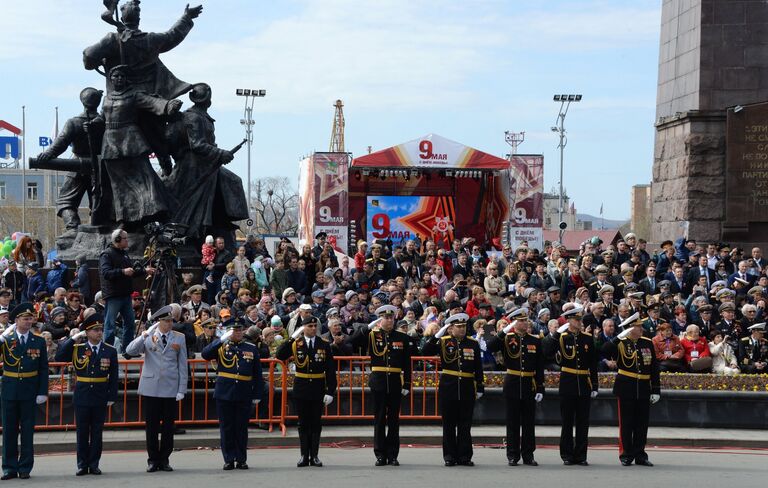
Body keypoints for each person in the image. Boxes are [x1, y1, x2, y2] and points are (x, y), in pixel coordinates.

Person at [346, 305, 412, 466]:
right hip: (379, 381)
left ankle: (393, 454)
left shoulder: (402, 337)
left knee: (394, 420)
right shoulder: (372, 335)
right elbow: (351, 341)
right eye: (385, 317)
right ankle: (380, 454)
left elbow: (407, 363)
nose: (389, 320)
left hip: (395, 381)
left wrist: (408, 383)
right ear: (380, 319)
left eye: (391, 317)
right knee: (380, 419)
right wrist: (367, 327)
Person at [125, 305, 188, 473]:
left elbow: (182, 365)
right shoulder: (148, 336)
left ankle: (165, 459)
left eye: (170, 321)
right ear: (158, 322)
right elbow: (129, 350)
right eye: (165, 321)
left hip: (170, 387)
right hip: (151, 387)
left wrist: (182, 389)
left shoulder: (179, 338)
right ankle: (152, 459)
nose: (169, 324)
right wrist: (144, 334)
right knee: (151, 427)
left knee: (168, 427)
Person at [55, 313, 118, 475]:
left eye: (100, 329)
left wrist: (112, 396)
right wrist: (73, 339)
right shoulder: (78, 349)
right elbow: (59, 356)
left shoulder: (109, 350)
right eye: (95, 330)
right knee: (82, 431)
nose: (99, 332)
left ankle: (94, 463)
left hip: (100, 393)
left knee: (97, 432)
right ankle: (82, 464)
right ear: (87, 332)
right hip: (82, 394)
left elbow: (114, 376)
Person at [35, 87, 104, 231]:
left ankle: (73, 228)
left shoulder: (74, 122)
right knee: (98, 203)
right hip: (98, 167)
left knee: (65, 202)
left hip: (79, 166)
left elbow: (61, 143)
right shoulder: (105, 122)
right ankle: (76, 229)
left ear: (82, 102)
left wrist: (48, 154)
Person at [421, 313, 484, 467]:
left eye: (463, 326)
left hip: (467, 387)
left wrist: (480, 385)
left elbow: (478, 367)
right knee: (449, 424)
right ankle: (449, 456)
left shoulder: (473, 343)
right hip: (449, 386)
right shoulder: (443, 342)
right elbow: (425, 351)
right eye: (458, 327)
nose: (462, 329)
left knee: (465, 424)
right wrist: (437, 335)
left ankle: (464, 456)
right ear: (451, 328)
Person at [201, 317, 263, 470]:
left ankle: (241, 458)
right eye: (234, 330)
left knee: (241, 428)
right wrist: (221, 340)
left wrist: (257, 394)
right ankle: (228, 458)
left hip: (244, 391)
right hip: (224, 393)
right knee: (226, 427)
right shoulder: (221, 345)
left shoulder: (251, 348)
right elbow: (205, 354)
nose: (238, 333)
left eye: (240, 329)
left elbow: (257, 374)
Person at [276, 315, 337, 467]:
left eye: (314, 326)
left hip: (317, 387)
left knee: (316, 423)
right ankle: (304, 455)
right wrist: (291, 338)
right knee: (303, 423)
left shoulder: (324, 344)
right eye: (309, 326)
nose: (313, 328)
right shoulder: (297, 343)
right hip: (302, 387)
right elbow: (280, 354)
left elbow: (330, 369)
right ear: (303, 328)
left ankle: (314, 456)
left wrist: (330, 391)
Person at [486, 308, 544, 466]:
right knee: (512, 422)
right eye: (521, 320)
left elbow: (539, 366)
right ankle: (512, 454)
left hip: (528, 384)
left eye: (526, 320)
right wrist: (504, 330)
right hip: (512, 382)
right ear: (514, 322)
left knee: (528, 422)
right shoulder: (507, 338)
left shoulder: (535, 340)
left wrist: (540, 387)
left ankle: (528, 455)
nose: (525, 323)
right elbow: (490, 346)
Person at [602, 313, 660, 467]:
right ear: (630, 328)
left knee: (642, 424)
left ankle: (640, 454)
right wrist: (616, 338)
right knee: (626, 423)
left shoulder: (647, 343)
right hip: (626, 387)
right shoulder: (621, 342)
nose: (642, 329)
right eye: (638, 326)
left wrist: (656, 389)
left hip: (643, 387)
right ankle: (626, 454)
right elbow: (604, 351)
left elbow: (654, 367)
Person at [0, 303, 49, 480]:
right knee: (9, 431)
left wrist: (42, 391)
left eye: (31, 318)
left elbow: (43, 368)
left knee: (27, 431)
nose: (29, 321)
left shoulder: (39, 340)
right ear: (17, 320)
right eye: (25, 319)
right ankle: (9, 467)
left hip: (29, 390)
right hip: (10, 389)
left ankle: (25, 466)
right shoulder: (6, 339)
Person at [545, 306, 598, 466]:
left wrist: (594, 384)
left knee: (583, 422)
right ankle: (567, 454)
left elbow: (593, 363)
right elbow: (547, 351)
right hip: (568, 382)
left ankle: (581, 455)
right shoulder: (562, 337)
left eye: (580, 319)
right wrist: (556, 334)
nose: (579, 322)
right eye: (576, 320)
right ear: (569, 321)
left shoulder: (587, 338)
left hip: (583, 382)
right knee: (567, 421)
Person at [100, 229, 155, 358]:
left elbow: (131, 272)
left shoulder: (124, 254)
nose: (127, 241)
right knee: (110, 325)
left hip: (125, 295)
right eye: (125, 238)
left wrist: (145, 271)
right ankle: (106, 353)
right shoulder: (106, 254)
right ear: (117, 240)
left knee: (130, 323)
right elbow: (106, 273)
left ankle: (127, 350)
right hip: (114, 295)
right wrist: (123, 271)